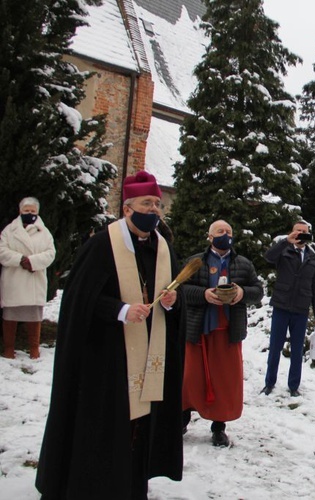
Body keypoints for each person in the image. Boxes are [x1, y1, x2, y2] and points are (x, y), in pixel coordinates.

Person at [36, 171, 184, 499]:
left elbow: (175, 295)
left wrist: (173, 301)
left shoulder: (163, 248)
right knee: (107, 422)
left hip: (149, 354)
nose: (155, 210)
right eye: (148, 203)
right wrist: (120, 310)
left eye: (158, 204)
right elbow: (80, 299)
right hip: (108, 356)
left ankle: (132, 483)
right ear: (128, 208)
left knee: (141, 425)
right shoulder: (102, 245)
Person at [181, 220, 263, 447]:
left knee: (224, 381)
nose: (224, 235)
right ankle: (183, 418)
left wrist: (241, 293)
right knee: (190, 378)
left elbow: (258, 292)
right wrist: (204, 294)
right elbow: (180, 290)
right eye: (220, 231)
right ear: (209, 237)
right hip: (199, 329)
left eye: (228, 231)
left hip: (228, 331)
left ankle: (219, 427)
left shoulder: (243, 264)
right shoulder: (196, 262)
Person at [262, 221, 315, 397]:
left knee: (297, 350)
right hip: (281, 306)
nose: (301, 234)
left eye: (304, 232)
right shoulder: (284, 250)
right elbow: (268, 257)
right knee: (275, 347)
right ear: (292, 232)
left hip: (301, 309)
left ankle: (294, 386)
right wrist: (286, 241)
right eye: (298, 231)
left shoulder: (312, 258)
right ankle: (269, 382)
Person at [0, 197, 56, 359]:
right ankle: (9, 348)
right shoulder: (9, 231)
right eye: (26, 211)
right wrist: (20, 259)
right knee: (10, 315)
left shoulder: (44, 233)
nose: (29, 213)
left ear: (37, 212)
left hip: (34, 280)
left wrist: (32, 262)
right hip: (14, 279)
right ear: (20, 211)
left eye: (32, 211)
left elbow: (50, 254)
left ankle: (34, 348)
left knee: (34, 315)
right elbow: (2, 251)